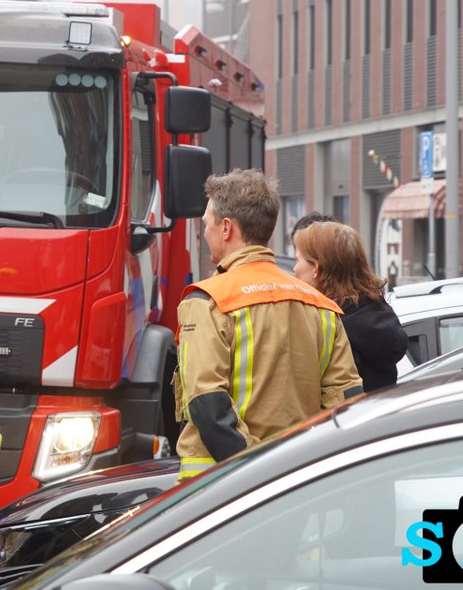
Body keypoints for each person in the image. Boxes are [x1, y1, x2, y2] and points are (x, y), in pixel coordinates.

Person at [174, 169, 363, 480]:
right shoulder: (319, 304)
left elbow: (207, 403)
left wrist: (257, 472)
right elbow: (346, 403)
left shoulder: (209, 301)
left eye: (206, 223)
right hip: (297, 484)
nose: (203, 232)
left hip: (218, 491)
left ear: (225, 228)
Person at [293, 221, 409, 391]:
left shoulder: (329, 327)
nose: (294, 269)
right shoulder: (376, 311)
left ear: (316, 268)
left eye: (298, 260)